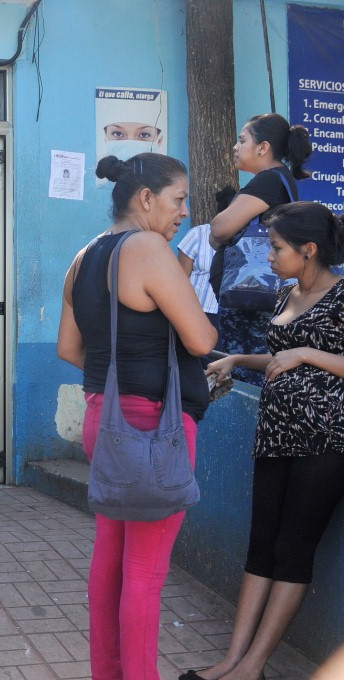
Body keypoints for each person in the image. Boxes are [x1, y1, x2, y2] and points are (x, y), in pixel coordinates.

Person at [57, 153, 218, 680]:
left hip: (103, 417)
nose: (184, 213)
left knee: (110, 558)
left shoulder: (82, 257)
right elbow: (201, 338)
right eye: (178, 200)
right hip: (152, 427)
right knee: (145, 573)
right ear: (146, 198)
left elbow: (69, 348)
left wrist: (117, 374)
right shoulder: (149, 248)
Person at [184, 202, 344, 680]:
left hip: (325, 441)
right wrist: (236, 359)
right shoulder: (285, 294)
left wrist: (306, 352)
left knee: (293, 548)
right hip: (276, 435)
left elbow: (300, 355)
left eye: (276, 247)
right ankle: (232, 659)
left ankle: (253, 665)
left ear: (308, 249)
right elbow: (278, 357)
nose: (268, 256)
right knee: (262, 545)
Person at [209, 113, 312, 383]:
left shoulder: (269, 180)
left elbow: (220, 229)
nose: (236, 146)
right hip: (254, 299)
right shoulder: (280, 180)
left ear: (263, 147)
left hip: (252, 303)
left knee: (245, 380)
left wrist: (217, 232)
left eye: (242, 140)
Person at [178, 186, 237, 330]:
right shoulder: (197, 234)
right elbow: (181, 279)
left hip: (231, 315)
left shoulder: (245, 240)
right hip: (198, 312)